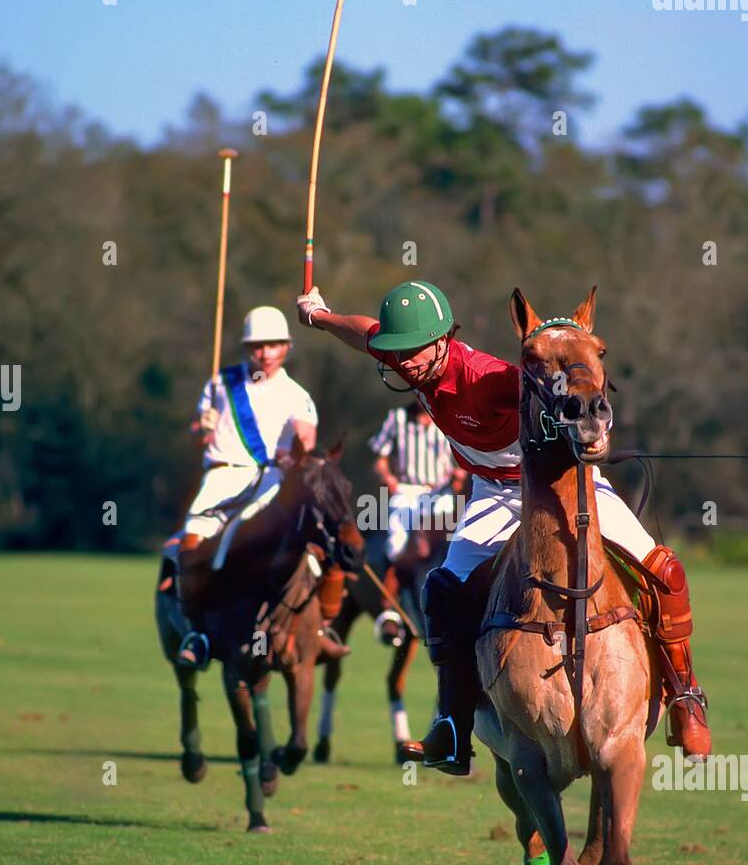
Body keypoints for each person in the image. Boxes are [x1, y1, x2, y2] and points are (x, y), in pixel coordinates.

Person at [297, 280, 711, 773]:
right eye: (395, 354)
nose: (402, 362)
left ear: (443, 340)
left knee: (663, 570)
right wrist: (321, 317)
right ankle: (451, 725)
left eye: (411, 352)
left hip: (558, 480)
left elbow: (564, 388)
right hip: (493, 494)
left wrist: (590, 424)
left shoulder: (488, 378)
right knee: (443, 589)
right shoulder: (411, 357)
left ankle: (686, 696)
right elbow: (366, 332)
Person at [176, 305, 319, 670]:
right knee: (189, 545)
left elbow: (307, 436)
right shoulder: (220, 384)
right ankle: (198, 631)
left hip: (271, 481)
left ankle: (323, 629)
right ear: (246, 348)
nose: (266, 354)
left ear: (286, 346)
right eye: (258, 346)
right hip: (222, 478)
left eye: (273, 345)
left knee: (323, 550)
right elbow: (197, 436)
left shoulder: (296, 394)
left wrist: (297, 451)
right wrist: (202, 427)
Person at [367, 399, 465, 635]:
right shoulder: (397, 418)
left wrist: (460, 472)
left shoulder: (447, 414)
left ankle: (457, 598)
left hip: (440, 491)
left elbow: (462, 455)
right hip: (407, 490)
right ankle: (389, 606)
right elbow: (379, 459)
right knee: (395, 544)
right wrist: (386, 476)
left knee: (452, 543)